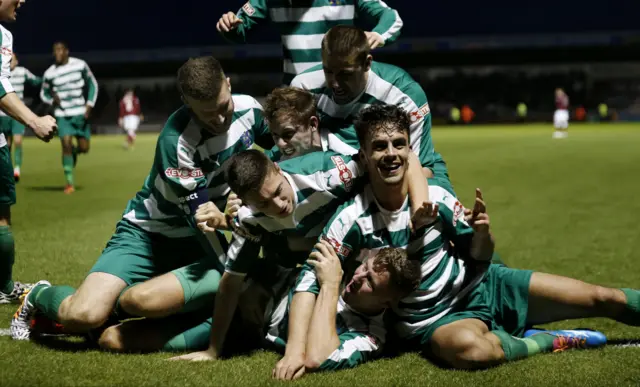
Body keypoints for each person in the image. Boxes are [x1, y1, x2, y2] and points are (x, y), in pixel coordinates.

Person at [290, 105, 640, 373]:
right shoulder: (351, 218)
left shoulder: (436, 197)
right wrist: (295, 349)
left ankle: (514, 326)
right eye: (379, 147)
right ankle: (545, 340)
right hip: (436, 322)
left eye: (400, 144)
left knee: (603, 297)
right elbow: (311, 277)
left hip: (485, 286)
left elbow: (480, 254)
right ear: (364, 157)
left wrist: (483, 233)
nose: (391, 154)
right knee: (473, 350)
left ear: (410, 150)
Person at [10, 56, 274, 341]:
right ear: (186, 102)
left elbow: (279, 158)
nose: (220, 120)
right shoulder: (177, 142)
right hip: (149, 235)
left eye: (224, 107)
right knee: (83, 315)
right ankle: (37, 295)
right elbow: (202, 223)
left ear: (229, 84)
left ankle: (121, 308)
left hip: (196, 241)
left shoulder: (250, 109)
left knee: (227, 296)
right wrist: (232, 273)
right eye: (208, 115)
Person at [290, 25, 451, 192]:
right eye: (328, 71)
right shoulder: (303, 87)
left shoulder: (403, 95)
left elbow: (423, 169)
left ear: (367, 63)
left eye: (346, 74)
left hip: (392, 181)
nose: (335, 83)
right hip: (337, 179)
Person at [0, 0, 57, 304]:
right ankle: (5, 288)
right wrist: (34, 120)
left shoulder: (5, 36)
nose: (22, 1)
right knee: (0, 218)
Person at [217, 0, 403, 84]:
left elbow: (391, 17)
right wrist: (229, 25)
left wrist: (379, 34)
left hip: (344, 93)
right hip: (298, 98)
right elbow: (238, 31)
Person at [40, 41, 98, 194]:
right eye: (55, 51)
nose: (57, 53)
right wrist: (52, 101)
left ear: (67, 51)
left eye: (60, 50)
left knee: (84, 148)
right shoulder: (49, 73)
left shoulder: (80, 65)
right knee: (65, 144)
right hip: (62, 114)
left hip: (80, 113)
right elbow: (43, 93)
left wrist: (89, 104)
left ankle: (74, 153)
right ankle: (69, 183)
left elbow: (92, 84)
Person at [0, 53, 42, 181]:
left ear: (17, 62)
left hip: (18, 115)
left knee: (17, 141)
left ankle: (17, 169)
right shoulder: (1, 74)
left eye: (12, 59)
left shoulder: (22, 72)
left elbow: (36, 81)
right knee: (6, 145)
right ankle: (8, 169)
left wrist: (48, 80)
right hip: (2, 115)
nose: (9, 61)